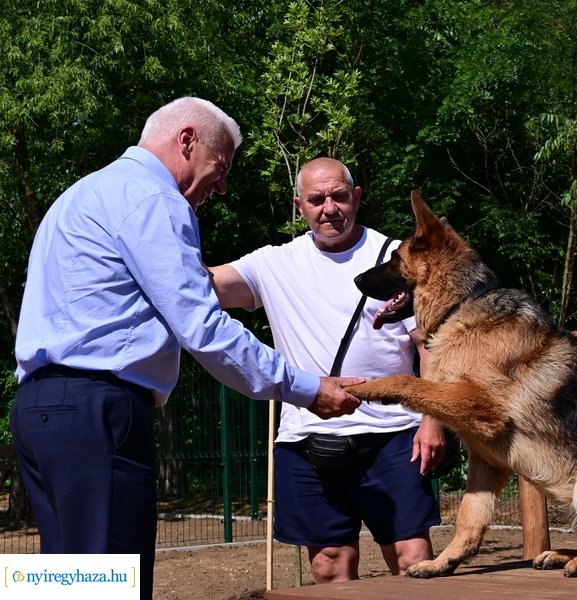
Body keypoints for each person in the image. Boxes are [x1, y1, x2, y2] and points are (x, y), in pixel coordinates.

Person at [11, 98, 363, 600]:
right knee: (110, 585)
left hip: (39, 411)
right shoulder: (153, 199)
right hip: (97, 411)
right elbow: (201, 325)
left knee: (62, 583)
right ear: (186, 141)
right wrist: (304, 388)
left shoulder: (81, 194)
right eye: (221, 169)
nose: (221, 187)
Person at [207, 157, 446, 583]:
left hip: (394, 434)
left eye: (338, 196)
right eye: (316, 199)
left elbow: (427, 344)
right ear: (299, 205)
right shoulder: (273, 264)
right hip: (307, 439)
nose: (329, 207)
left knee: (412, 557)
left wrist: (432, 420)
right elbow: (201, 287)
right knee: (328, 564)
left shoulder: (396, 256)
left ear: (356, 197)